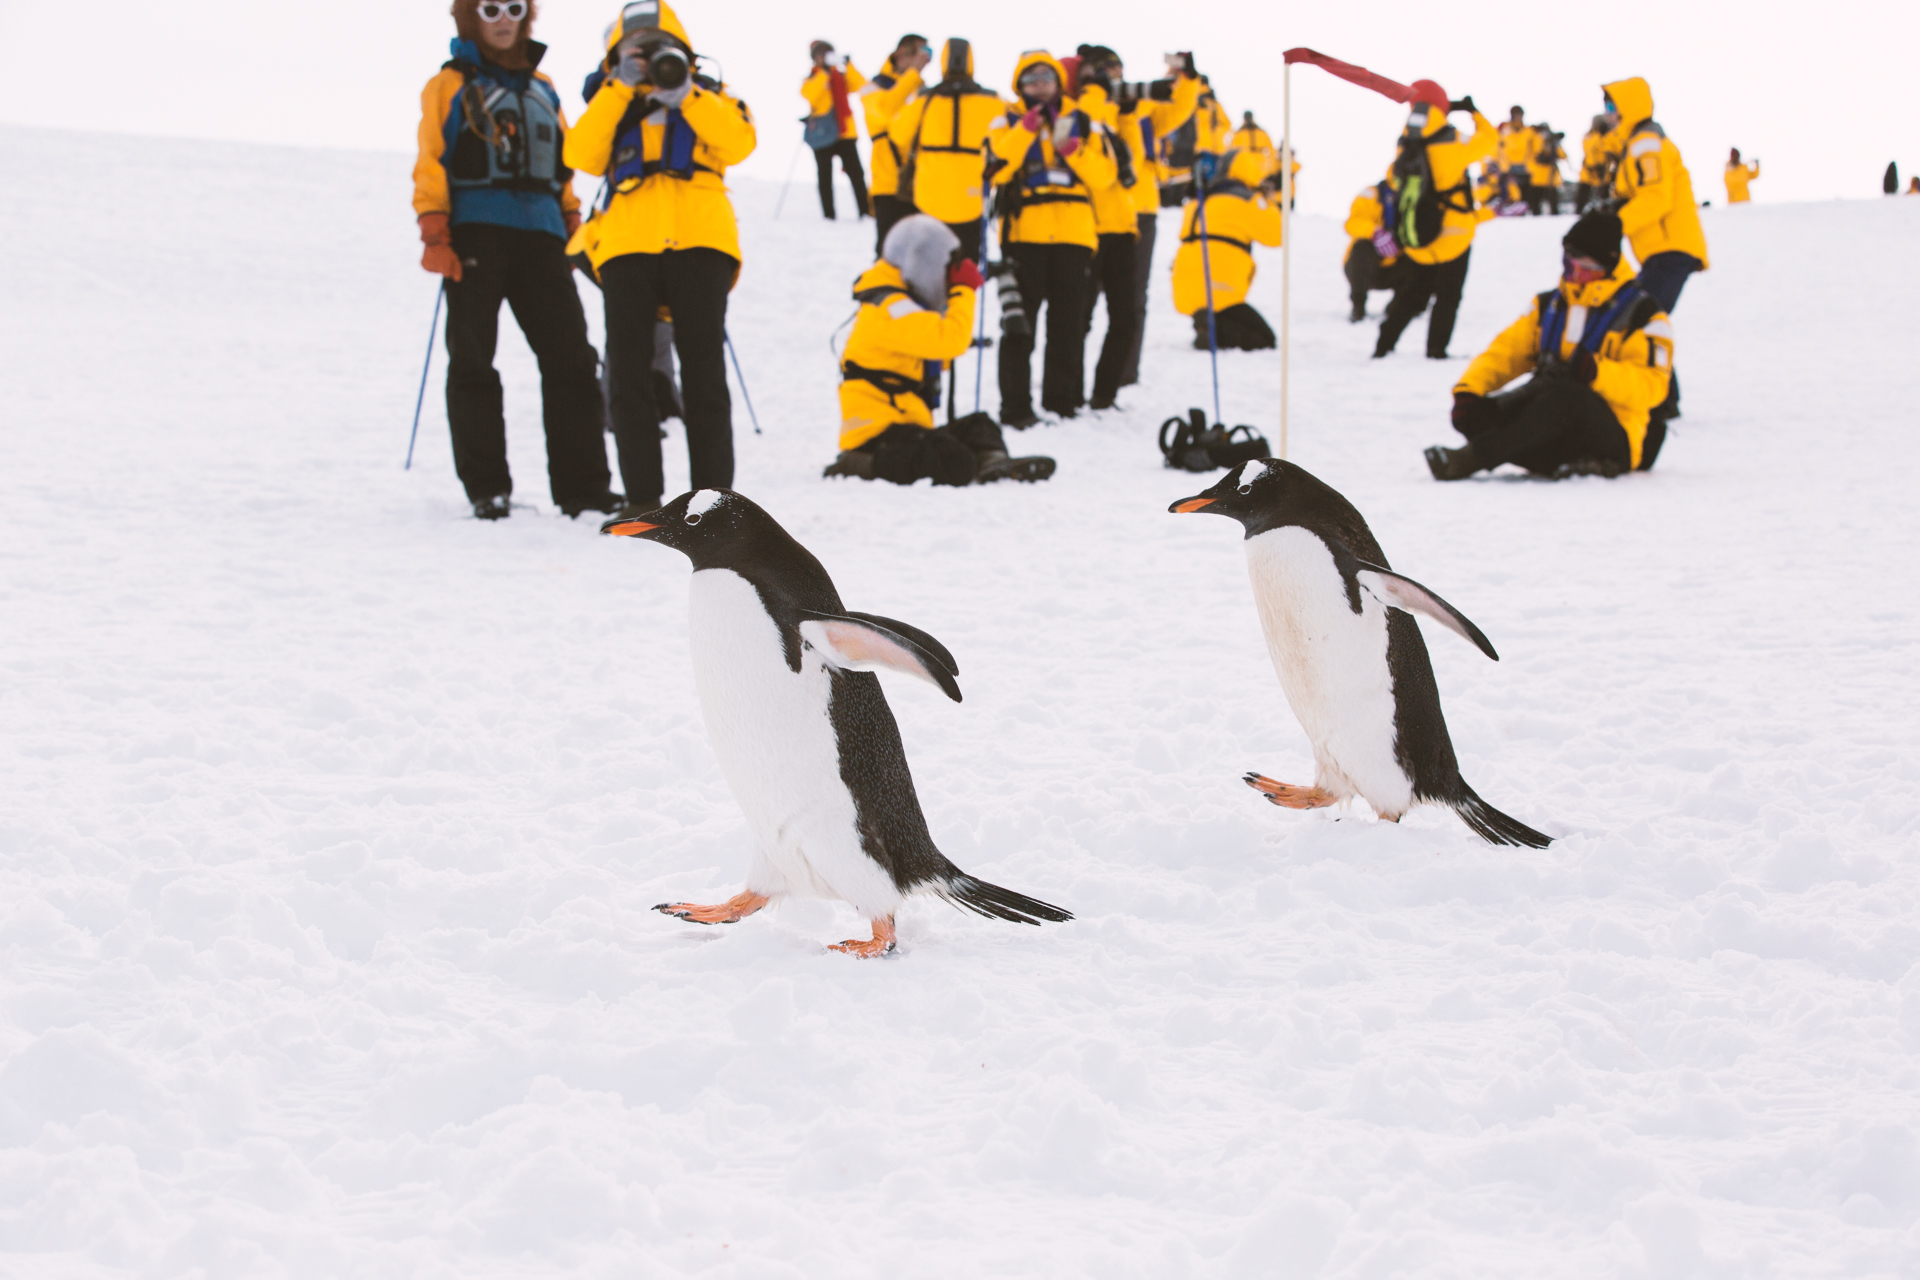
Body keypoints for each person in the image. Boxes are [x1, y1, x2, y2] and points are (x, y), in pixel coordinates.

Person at [413, 0, 619, 522]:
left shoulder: (545, 88)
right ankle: (488, 489)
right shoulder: (448, 85)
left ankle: (585, 490)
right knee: (474, 360)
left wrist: (572, 221)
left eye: (514, 8)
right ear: (470, 16)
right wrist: (434, 230)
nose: (503, 19)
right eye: (490, 9)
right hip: (475, 234)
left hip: (545, 236)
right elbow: (431, 158)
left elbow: (565, 164)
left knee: (572, 360)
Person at [565, 0, 755, 514]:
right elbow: (579, 154)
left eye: (661, 51)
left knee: (703, 374)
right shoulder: (610, 100)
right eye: (636, 53)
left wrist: (686, 95)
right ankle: (644, 500)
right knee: (627, 375)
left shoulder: (714, 97)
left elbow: (739, 143)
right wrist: (621, 85)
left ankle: (715, 508)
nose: (652, 62)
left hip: (702, 243)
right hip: (627, 246)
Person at [1425, 211, 1673, 481]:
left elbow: (1653, 386)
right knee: (1477, 416)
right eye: (1569, 265)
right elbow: (1505, 352)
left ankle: (1467, 460)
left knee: (1567, 397)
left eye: (1586, 268)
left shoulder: (1644, 314)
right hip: (1551, 422)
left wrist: (1597, 374)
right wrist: (1469, 391)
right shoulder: (1548, 306)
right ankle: (1570, 462)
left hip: (1616, 435)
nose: (1575, 275)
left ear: (1608, 267)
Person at [824, 216, 1055, 486]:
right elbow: (949, 341)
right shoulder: (889, 308)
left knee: (980, 425)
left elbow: (937, 353)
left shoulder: (901, 301)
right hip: (874, 434)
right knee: (952, 461)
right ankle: (858, 464)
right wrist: (963, 290)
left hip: (907, 423)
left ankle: (992, 464)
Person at [986, 51, 1117, 426]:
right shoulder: (1007, 118)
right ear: (1019, 85)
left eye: (1046, 78)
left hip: (1074, 236)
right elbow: (995, 168)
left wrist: (1072, 149)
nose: (1039, 86)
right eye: (1031, 79)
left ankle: (1062, 404)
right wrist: (1026, 128)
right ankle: (1016, 408)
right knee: (1018, 324)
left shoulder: (1083, 119)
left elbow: (1104, 176)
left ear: (1059, 82)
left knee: (1068, 324)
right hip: (1023, 233)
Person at [1070, 49, 1198, 389]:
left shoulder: (1139, 108)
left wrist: (1188, 80)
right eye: (1108, 73)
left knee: (1132, 302)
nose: (1116, 80)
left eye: (1119, 72)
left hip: (1139, 211)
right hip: (1092, 212)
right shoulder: (1088, 106)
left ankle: (1123, 374)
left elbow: (1178, 111)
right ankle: (1068, 378)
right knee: (1081, 302)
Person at [1373, 87, 1495, 359]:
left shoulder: (1404, 143)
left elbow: (1393, 180)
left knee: (1413, 295)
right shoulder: (1454, 140)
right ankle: (1435, 350)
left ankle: (1384, 344)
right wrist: (1474, 112)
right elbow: (1489, 142)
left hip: (1416, 235)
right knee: (1448, 297)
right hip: (1454, 237)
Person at [886, 38, 1006, 263]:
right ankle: (964, 296)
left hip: (929, 198)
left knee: (929, 266)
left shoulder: (924, 99)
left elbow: (897, 134)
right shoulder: (993, 100)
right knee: (967, 266)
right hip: (972, 199)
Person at [1603, 78, 1707, 314]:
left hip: (1670, 248)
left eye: (1611, 107)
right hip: (1660, 252)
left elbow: (1656, 197)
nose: (1607, 115)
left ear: (1627, 108)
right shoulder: (1634, 145)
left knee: (1636, 324)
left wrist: (1614, 225)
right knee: (1628, 319)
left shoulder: (1646, 144)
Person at [1171, 150, 1283, 349]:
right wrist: (1269, 200)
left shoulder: (1198, 199)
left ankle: (1206, 322)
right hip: (1220, 288)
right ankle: (1217, 333)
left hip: (1184, 289)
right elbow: (1277, 236)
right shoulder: (1247, 199)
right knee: (1265, 339)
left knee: (1229, 314)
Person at [861, 34, 931, 253]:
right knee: (888, 251)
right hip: (889, 182)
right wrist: (912, 76)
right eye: (920, 54)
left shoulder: (921, 88)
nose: (925, 61)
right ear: (901, 54)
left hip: (920, 182)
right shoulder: (874, 87)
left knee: (919, 254)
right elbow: (884, 119)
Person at [802, 41, 869, 221]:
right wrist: (824, 74)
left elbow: (861, 85)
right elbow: (810, 95)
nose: (824, 57)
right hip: (823, 133)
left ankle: (865, 212)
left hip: (845, 133)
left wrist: (848, 65)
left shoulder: (842, 76)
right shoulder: (812, 78)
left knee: (857, 174)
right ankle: (829, 215)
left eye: (828, 53)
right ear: (814, 58)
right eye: (821, 54)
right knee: (824, 176)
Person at [1157, 77, 1231, 207]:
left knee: (1201, 177)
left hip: (1201, 146)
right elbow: (1227, 125)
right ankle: (1208, 201)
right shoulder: (1213, 104)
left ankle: (1202, 200)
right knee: (1208, 177)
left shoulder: (1197, 101)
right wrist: (1217, 133)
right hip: (1214, 148)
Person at [1342, 182, 1404, 322]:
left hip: (1397, 265)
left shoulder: (1420, 194)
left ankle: (1404, 307)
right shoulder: (1372, 194)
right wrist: (1374, 232)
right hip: (1366, 268)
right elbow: (1352, 223)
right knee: (1361, 247)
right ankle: (1358, 306)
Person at [1575, 113, 1619, 212]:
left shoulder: (1607, 135)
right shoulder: (1590, 136)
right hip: (1589, 170)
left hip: (1604, 170)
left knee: (1604, 194)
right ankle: (1578, 212)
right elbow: (1590, 151)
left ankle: (1605, 211)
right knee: (1583, 194)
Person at [1495, 106, 1535, 211]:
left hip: (1525, 166)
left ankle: (1525, 212)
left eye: (1520, 114)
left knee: (1525, 194)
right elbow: (1499, 147)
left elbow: (1533, 148)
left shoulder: (1528, 131)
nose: (1518, 117)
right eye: (1516, 114)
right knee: (1509, 193)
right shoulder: (1504, 130)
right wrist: (1499, 164)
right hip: (1508, 166)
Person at [1527, 124, 1565, 214]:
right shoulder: (1534, 139)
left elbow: (1562, 155)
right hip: (1541, 177)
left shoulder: (1551, 141)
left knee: (1551, 204)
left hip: (1547, 178)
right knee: (1536, 205)